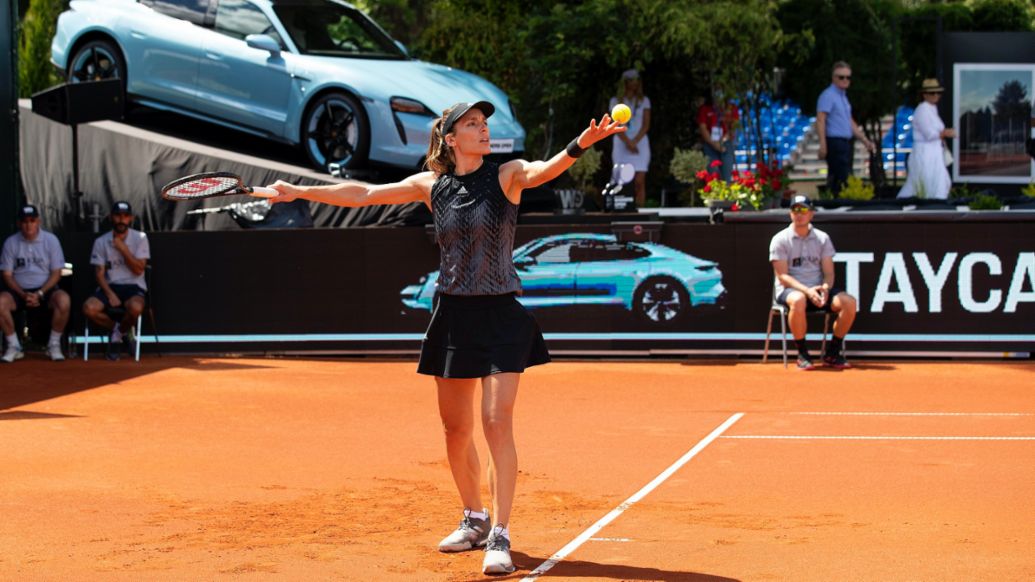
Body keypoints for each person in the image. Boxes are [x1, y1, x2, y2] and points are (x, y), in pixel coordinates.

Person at [267, 101, 624, 575]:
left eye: (484, 123)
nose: (483, 130)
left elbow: (542, 171)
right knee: (456, 431)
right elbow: (366, 193)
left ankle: (501, 532)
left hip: (500, 315)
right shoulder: (432, 186)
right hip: (452, 315)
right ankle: (473, 518)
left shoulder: (507, 174)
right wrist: (298, 190)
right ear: (450, 139)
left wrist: (580, 145)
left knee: (496, 422)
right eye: (472, 124)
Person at [769, 195, 857, 370]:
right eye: (795, 210)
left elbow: (829, 273)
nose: (799, 214)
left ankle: (833, 353)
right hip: (790, 290)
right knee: (798, 300)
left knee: (849, 302)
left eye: (803, 210)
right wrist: (807, 291)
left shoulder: (822, 238)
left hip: (818, 290)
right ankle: (802, 354)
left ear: (811, 214)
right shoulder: (780, 239)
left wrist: (824, 288)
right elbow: (782, 276)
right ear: (790, 214)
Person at [0, 205, 70, 362]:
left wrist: (40, 293)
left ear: (38, 221)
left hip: (46, 290)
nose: (28, 225)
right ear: (19, 223)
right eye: (24, 221)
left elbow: (56, 273)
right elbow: (7, 275)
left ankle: (53, 345)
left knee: (64, 300)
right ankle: (13, 346)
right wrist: (22, 294)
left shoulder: (51, 240)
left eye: (32, 220)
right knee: (0, 302)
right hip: (18, 291)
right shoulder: (11, 243)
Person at [82, 201, 151, 361]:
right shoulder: (100, 242)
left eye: (125, 216)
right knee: (89, 309)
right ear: (111, 217)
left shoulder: (140, 238)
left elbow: (139, 269)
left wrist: (123, 249)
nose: (121, 220)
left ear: (130, 218)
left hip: (134, 286)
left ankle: (116, 337)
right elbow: (99, 273)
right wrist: (110, 293)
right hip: (110, 286)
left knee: (135, 308)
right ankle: (120, 331)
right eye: (118, 216)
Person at [816, 61, 876, 197]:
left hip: (845, 141)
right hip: (835, 141)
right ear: (833, 77)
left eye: (848, 77)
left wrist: (864, 140)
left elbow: (849, 121)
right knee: (843, 177)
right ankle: (838, 203)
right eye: (841, 77)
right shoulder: (828, 95)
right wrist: (823, 144)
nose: (845, 80)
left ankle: (834, 202)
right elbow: (821, 119)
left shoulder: (842, 97)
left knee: (839, 177)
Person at [897, 78, 955, 200]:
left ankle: (935, 207)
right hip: (925, 153)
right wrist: (946, 133)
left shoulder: (932, 109)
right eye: (932, 93)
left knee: (941, 182)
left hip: (934, 152)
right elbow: (929, 134)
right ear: (924, 94)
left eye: (937, 92)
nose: (935, 95)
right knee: (924, 181)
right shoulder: (922, 109)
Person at [609, 69, 651, 207]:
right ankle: (622, 209)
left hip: (640, 142)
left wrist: (634, 142)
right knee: (622, 180)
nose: (635, 83)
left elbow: (646, 124)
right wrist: (628, 142)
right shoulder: (615, 101)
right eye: (632, 80)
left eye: (637, 80)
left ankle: (640, 210)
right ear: (625, 83)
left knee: (639, 181)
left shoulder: (644, 101)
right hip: (622, 143)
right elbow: (614, 124)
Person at [697, 91, 739, 183]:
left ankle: (726, 195)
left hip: (726, 145)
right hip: (710, 144)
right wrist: (714, 144)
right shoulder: (705, 109)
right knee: (712, 174)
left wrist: (723, 141)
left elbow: (734, 127)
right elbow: (703, 128)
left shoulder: (731, 108)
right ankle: (714, 196)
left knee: (727, 174)